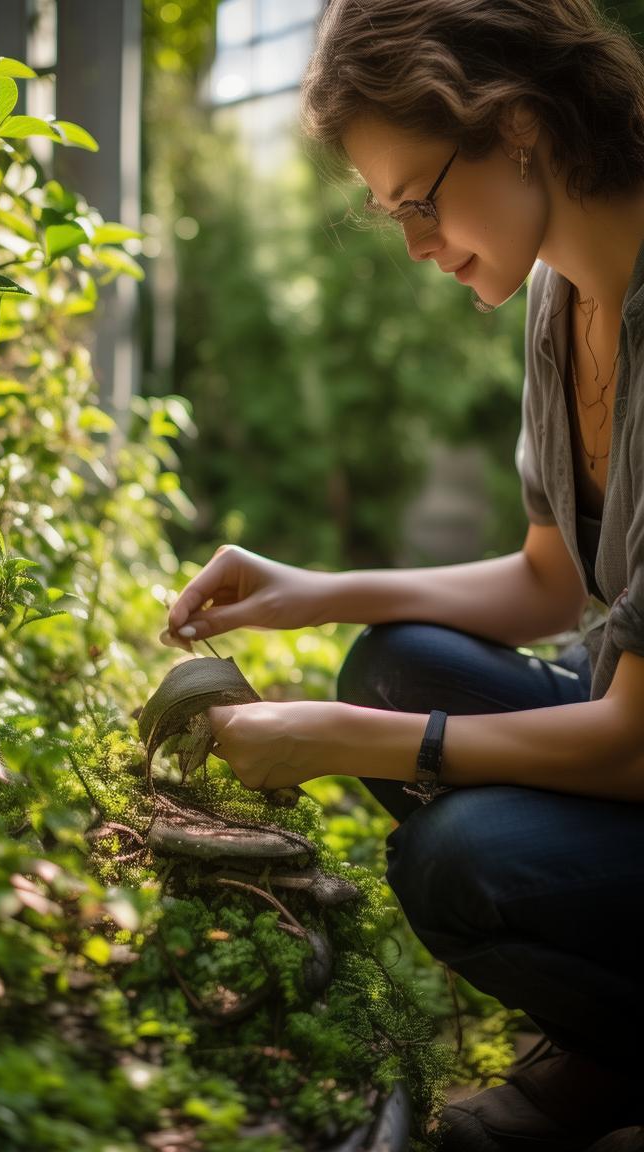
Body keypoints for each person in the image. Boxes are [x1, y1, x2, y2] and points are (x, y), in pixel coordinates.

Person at [163, 1, 644, 1149]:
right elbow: (548, 581)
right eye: (390, 217)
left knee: (456, 859)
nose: (417, 245)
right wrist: (315, 589)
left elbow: (632, 742)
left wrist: (348, 741)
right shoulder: (560, 300)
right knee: (390, 663)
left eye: (419, 201)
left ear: (518, 124)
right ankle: (610, 1052)